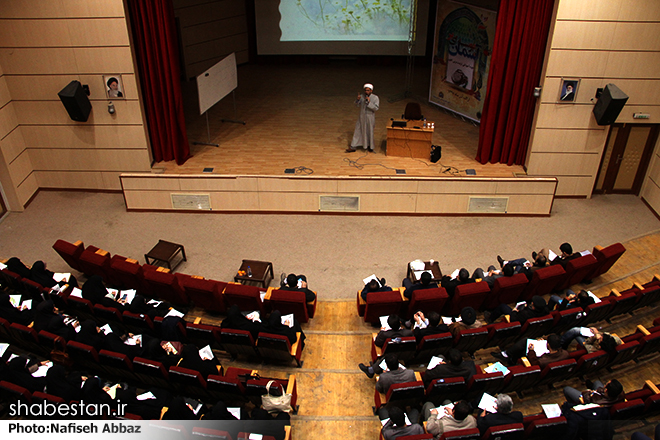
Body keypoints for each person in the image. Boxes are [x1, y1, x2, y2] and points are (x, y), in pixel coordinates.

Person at [491, 333, 569, 367]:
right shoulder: (565, 354)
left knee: (524, 345)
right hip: (546, 355)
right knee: (523, 344)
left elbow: (534, 363)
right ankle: (509, 357)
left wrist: (531, 350)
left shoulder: (543, 361)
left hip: (535, 361)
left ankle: (507, 355)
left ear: (548, 344)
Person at [346, 83, 379, 153]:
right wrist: (358, 100)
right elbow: (356, 105)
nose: (366, 92)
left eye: (368, 90)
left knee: (369, 131)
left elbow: (376, 108)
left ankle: (370, 146)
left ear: (371, 90)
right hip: (362, 116)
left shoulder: (375, 98)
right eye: (365, 90)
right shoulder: (362, 96)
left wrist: (369, 102)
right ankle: (353, 146)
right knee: (358, 130)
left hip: (370, 117)